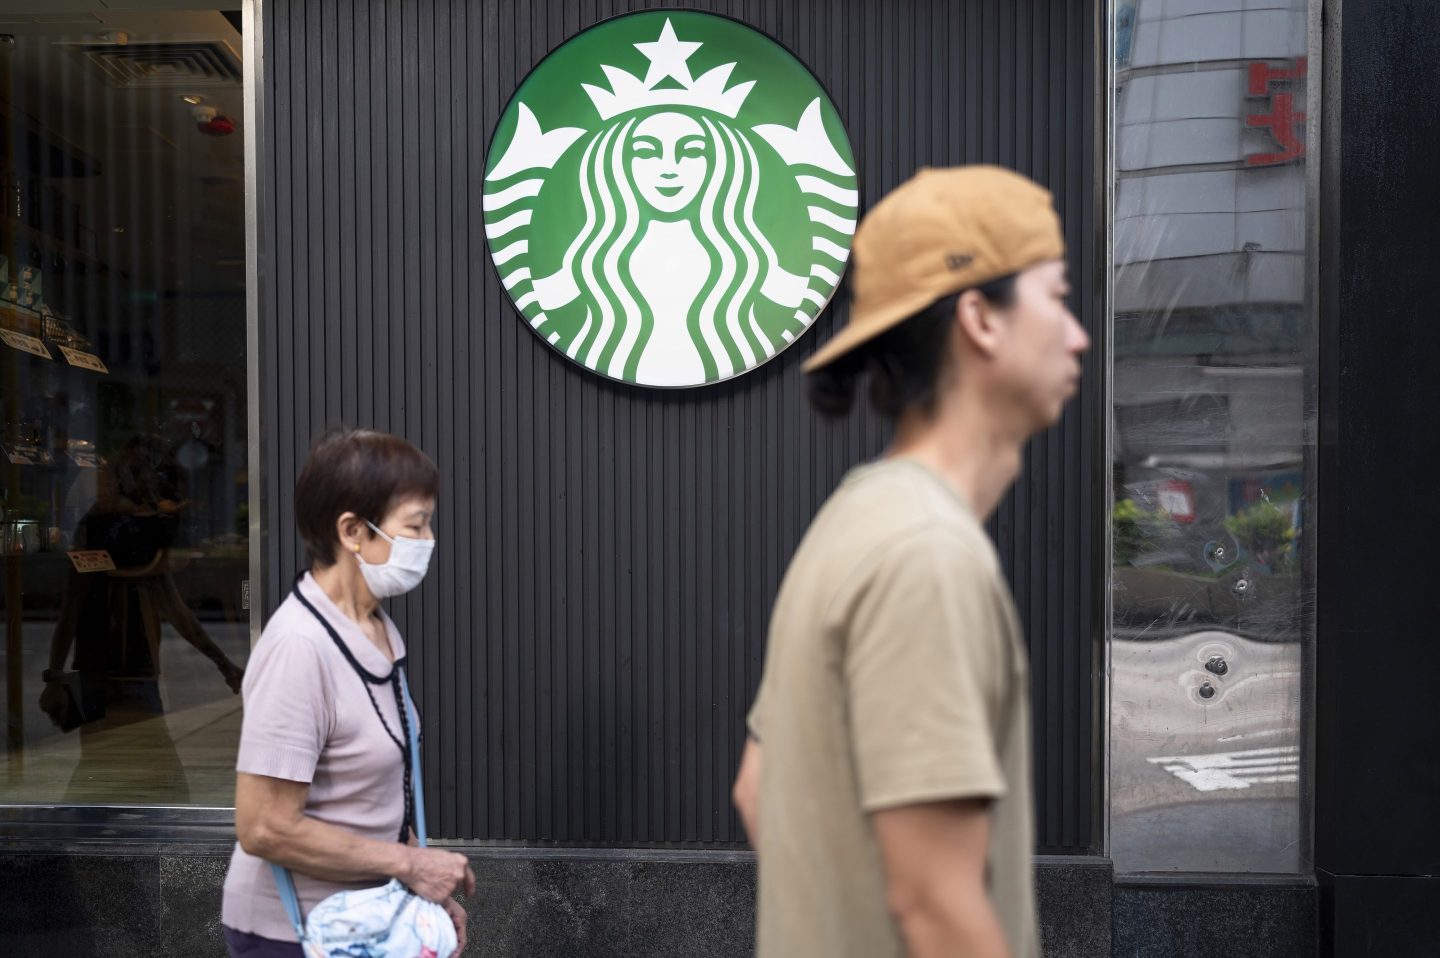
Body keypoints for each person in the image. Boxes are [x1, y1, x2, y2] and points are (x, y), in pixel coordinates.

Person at [733, 166, 1089, 958]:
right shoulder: (924, 552)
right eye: (1057, 298)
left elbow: (757, 789)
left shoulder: (858, 519)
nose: (1078, 336)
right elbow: (935, 904)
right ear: (980, 319)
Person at [221, 429, 474, 956]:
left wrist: (421, 888)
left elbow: (369, 799)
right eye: (416, 526)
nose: (428, 541)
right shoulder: (299, 647)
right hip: (296, 935)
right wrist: (411, 864)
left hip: (367, 923)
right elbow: (264, 827)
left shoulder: (376, 629)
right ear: (353, 531)